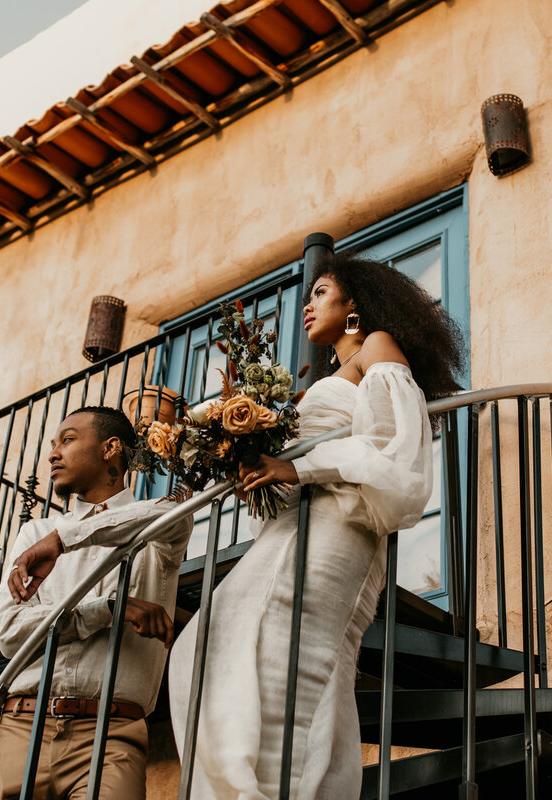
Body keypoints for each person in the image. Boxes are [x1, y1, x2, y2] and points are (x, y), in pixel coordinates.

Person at [168, 251, 464, 799]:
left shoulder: (375, 347)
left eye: (321, 291)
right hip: (293, 527)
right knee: (208, 644)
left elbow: (390, 448)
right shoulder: (327, 377)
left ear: (354, 304)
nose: (308, 303)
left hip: (337, 527)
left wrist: (295, 466)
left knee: (294, 663)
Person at [0, 406, 193, 800]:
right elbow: (12, 634)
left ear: (110, 448)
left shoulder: (155, 526)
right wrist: (109, 610)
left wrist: (65, 539)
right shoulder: (34, 531)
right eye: (53, 444)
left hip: (112, 733)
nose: (52, 454)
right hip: (21, 727)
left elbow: (174, 515)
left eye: (67, 440)